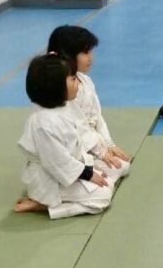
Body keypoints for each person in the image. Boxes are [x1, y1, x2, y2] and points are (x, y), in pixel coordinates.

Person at [14, 54, 122, 219]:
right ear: (55, 87)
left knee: (111, 178)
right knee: (103, 196)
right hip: (51, 181)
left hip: (68, 173)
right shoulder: (43, 123)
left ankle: (58, 200)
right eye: (72, 79)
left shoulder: (65, 107)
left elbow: (76, 145)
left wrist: (92, 166)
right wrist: (88, 174)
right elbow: (57, 162)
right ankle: (45, 205)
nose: (77, 82)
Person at [47, 25, 131, 174]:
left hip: (91, 143)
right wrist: (101, 152)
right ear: (67, 55)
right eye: (85, 52)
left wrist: (109, 145)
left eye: (90, 51)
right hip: (73, 149)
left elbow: (97, 117)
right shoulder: (63, 90)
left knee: (123, 165)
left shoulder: (86, 81)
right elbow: (77, 129)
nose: (90, 57)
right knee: (114, 171)